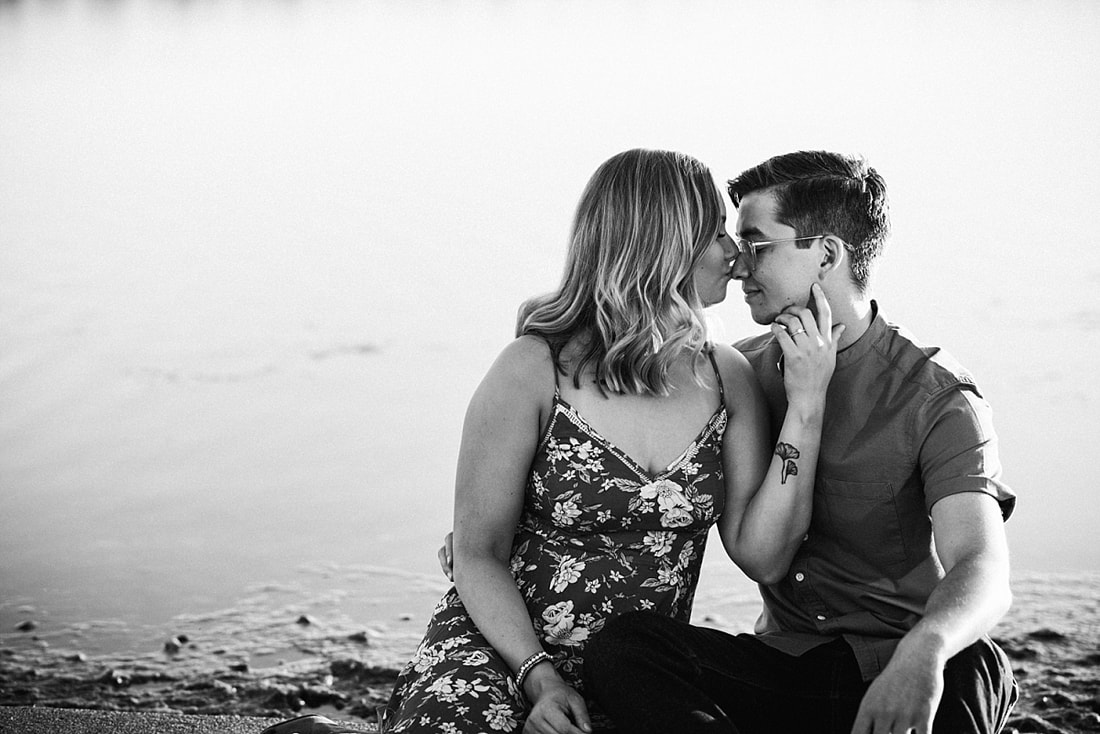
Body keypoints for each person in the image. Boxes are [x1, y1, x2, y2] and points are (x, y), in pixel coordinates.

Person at [358, 148, 844, 734]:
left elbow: (762, 556)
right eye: (715, 232)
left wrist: (807, 406)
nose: (735, 255)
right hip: (501, 655)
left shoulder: (727, 378)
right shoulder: (531, 370)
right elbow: (476, 553)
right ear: (665, 243)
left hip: (637, 670)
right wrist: (540, 678)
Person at [580, 150, 1019, 734]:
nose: (738, 267)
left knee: (976, 663)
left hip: (901, 666)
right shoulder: (738, 374)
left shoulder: (936, 396)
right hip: (785, 667)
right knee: (625, 649)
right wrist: (507, 520)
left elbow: (983, 564)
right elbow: (623, 447)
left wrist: (925, 652)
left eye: (757, 246)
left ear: (827, 254)